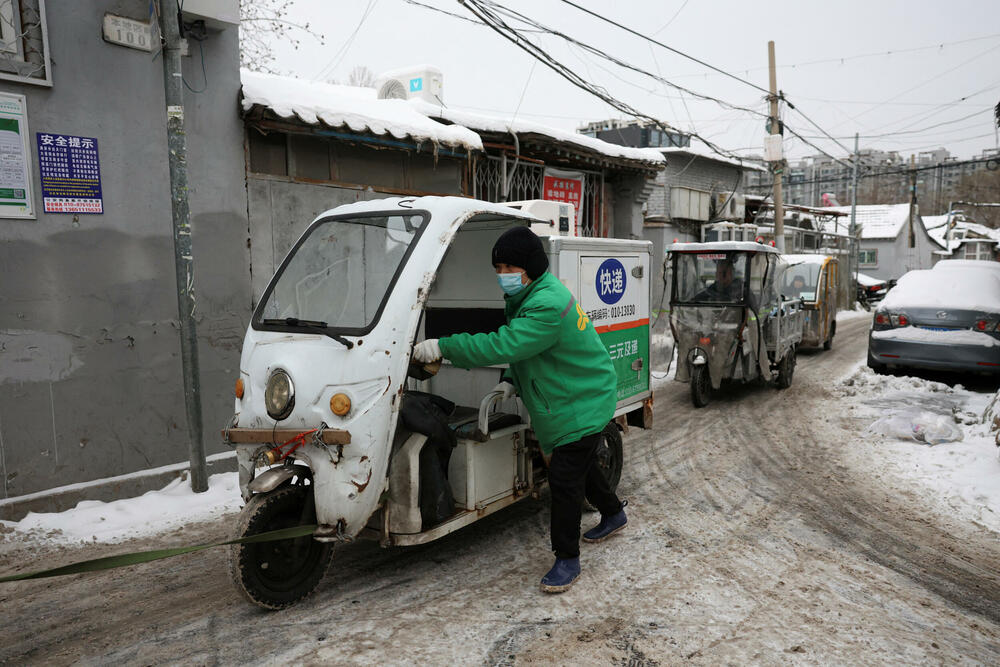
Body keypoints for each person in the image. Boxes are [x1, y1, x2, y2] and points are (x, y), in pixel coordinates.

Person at [412, 226, 626, 594]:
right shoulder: (532, 294)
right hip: (578, 392)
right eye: (497, 267)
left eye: (509, 267)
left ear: (530, 267)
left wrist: (443, 347)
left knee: (564, 478)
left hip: (581, 401)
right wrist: (512, 378)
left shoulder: (544, 303)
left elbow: (505, 343)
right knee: (582, 463)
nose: (501, 275)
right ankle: (614, 513)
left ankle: (567, 558)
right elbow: (528, 349)